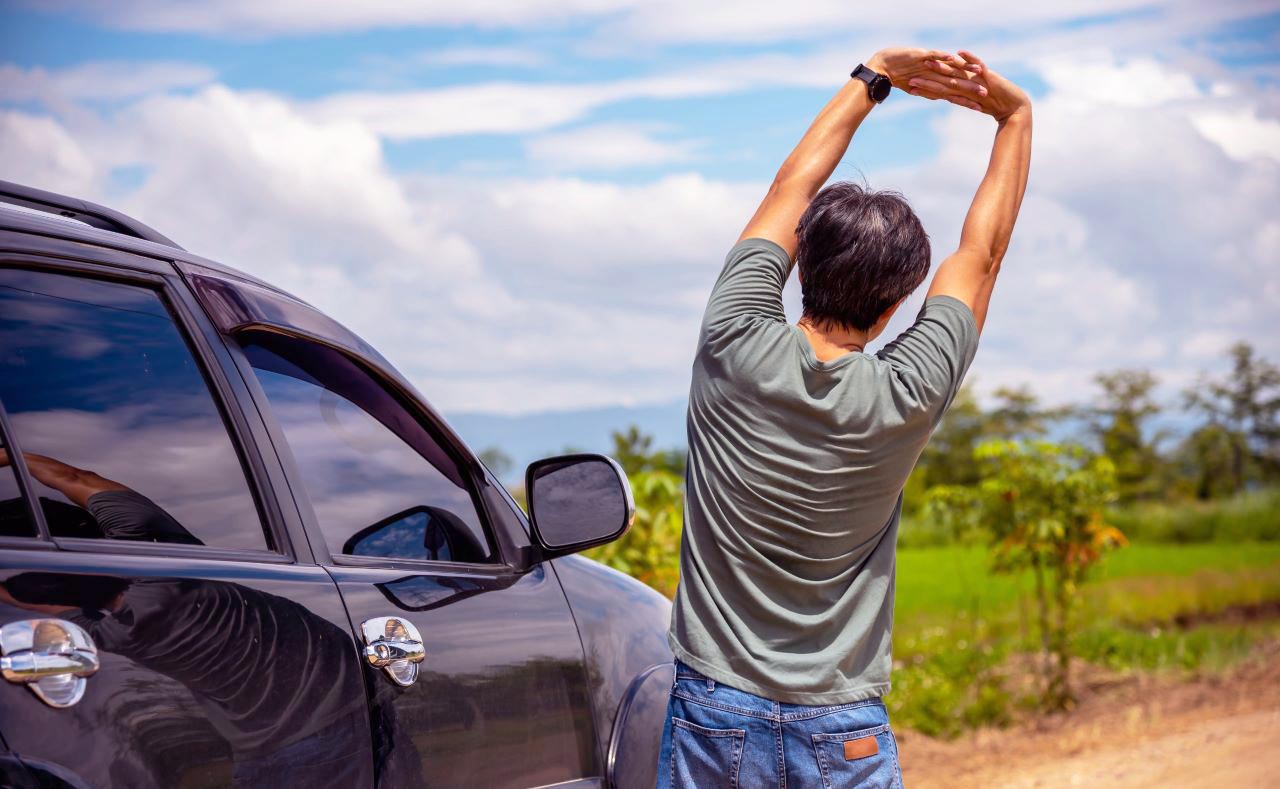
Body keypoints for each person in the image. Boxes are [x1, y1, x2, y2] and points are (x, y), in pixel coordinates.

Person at [658, 47, 1032, 787]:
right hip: (844, 726)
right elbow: (981, 256)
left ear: (799, 265)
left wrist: (875, 75)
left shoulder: (733, 340)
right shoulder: (909, 391)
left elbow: (790, 187)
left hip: (713, 711)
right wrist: (1013, 118)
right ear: (896, 306)